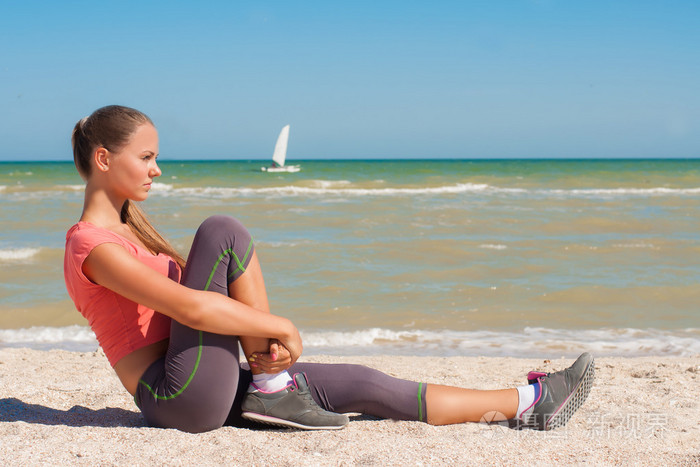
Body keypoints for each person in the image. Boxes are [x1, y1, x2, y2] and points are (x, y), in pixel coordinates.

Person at [64, 105, 595, 434]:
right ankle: (272, 386)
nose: (158, 170)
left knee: (367, 383)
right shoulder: (91, 246)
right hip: (173, 397)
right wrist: (277, 327)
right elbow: (188, 307)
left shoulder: (133, 233)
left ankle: (529, 403)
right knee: (222, 230)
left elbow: (196, 315)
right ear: (106, 159)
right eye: (148, 157)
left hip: (210, 379)